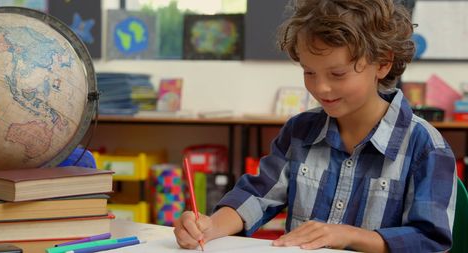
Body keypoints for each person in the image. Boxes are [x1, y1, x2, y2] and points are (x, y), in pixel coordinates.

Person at [173, 0, 457, 252]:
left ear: (382, 64)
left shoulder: (425, 147)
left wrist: (349, 236)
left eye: (338, 73)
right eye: (309, 72)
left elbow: (429, 241)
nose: (321, 87)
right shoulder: (300, 131)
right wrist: (210, 226)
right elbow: (257, 195)